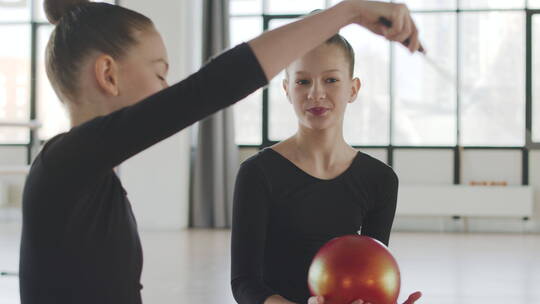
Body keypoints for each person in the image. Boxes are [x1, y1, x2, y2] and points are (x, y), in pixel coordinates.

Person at [19, 0, 422, 303]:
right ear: (108, 74)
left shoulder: (87, 177)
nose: (166, 90)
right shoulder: (66, 165)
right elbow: (212, 87)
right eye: (160, 72)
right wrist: (348, 11)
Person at [230, 13, 422, 304]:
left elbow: (372, 268)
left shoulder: (380, 180)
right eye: (303, 81)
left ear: (353, 89)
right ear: (287, 90)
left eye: (331, 80)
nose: (316, 93)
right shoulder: (258, 173)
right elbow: (244, 283)